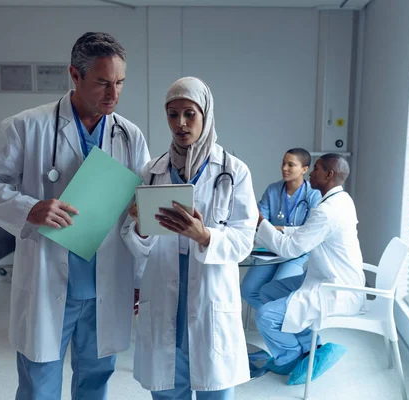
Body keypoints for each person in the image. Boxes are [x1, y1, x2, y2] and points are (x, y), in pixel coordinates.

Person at [0, 32, 150, 400]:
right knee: (39, 386)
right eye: (102, 82)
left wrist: (141, 276)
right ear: (74, 76)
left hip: (105, 283)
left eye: (120, 82)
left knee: (95, 381)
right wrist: (29, 208)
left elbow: (137, 207)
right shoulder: (26, 126)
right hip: (49, 278)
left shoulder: (130, 136)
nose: (113, 94)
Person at [122, 77, 258, 399]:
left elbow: (243, 240)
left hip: (209, 290)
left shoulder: (234, 172)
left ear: (206, 114)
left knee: (215, 390)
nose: (180, 124)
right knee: (168, 389)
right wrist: (140, 226)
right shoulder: (151, 172)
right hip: (164, 287)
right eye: (172, 114)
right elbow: (134, 241)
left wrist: (205, 236)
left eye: (189, 114)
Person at [253, 153, 365, 384]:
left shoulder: (328, 210)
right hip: (328, 278)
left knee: (264, 316)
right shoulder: (341, 200)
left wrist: (260, 223)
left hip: (335, 288)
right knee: (267, 292)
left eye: (316, 169)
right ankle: (308, 346)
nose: (311, 173)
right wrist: (280, 229)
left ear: (329, 174)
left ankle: (290, 356)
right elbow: (309, 233)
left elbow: (291, 249)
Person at [241, 148, 321, 311]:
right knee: (248, 290)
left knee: (278, 291)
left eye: (291, 165)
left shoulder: (313, 195)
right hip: (271, 250)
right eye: (283, 163)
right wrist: (280, 229)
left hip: (297, 253)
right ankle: (274, 317)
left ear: (304, 170)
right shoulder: (273, 190)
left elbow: (309, 230)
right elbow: (256, 220)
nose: (284, 168)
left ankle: (275, 319)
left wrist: (274, 228)